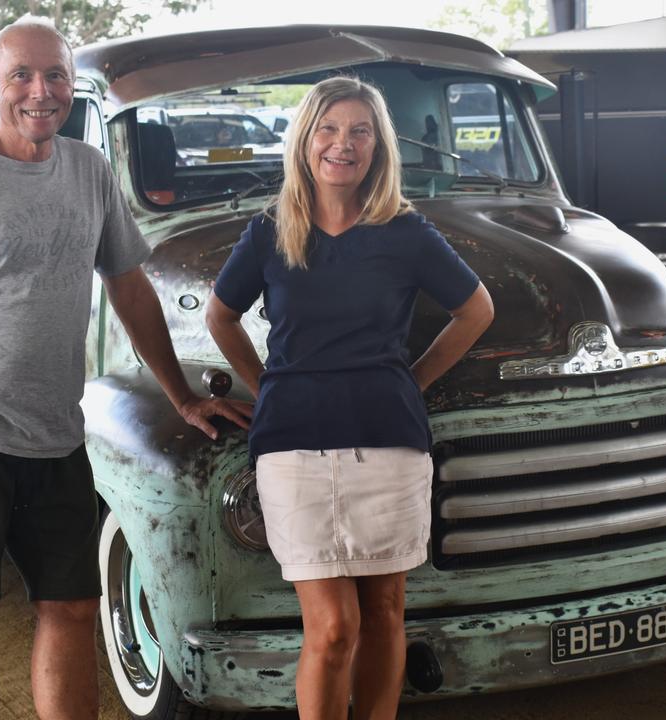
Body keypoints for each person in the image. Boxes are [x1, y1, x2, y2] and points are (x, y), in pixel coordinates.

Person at [0, 15, 252, 720]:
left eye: (54, 74)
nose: (40, 91)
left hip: (53, 430)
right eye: (21, 75)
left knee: (74, 605)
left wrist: (179, 395)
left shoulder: (88, 169)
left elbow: (130, 285)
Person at [205, 77, 494, 720]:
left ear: (379, 146)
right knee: (334, 625)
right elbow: (220, 318)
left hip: (388, 441)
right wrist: (267, 382)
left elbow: (476, 311)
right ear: (305, 140)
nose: (343, 144)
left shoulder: (407, 232)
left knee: (386, 612)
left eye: (360, 131)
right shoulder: (270, 232)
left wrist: (410, 380)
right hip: (292, 446)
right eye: (329, 129)